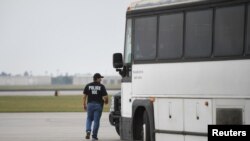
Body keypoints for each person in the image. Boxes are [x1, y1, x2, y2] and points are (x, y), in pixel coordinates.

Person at [83, 73, 108, 141]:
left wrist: (84, 105)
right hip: (98, 105)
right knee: (96, 121)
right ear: (97, 78)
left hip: (90, 105)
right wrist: (106, 102)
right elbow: (105, 97)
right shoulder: (101, 86)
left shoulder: (88, 85)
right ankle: (94, 137)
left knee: (89, 119)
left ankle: (88, 131)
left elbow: (84, 96)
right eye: (100, 78)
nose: (101, 79)